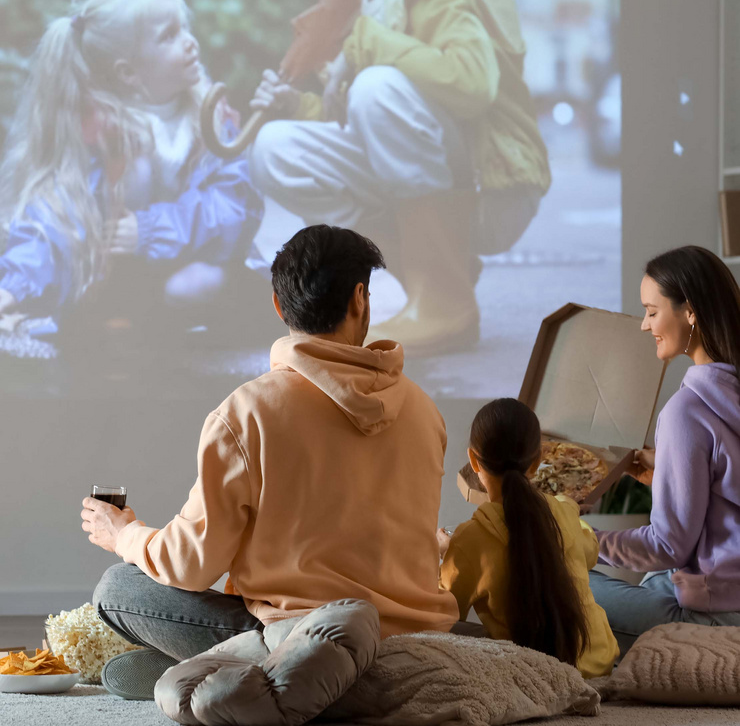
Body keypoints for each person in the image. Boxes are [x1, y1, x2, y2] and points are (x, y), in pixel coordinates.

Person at [83, 224, 458, 700]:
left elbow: (192, 564)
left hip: (298, 636)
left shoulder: (246, 412)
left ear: (278, 306)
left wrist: (124, 536)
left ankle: (241, 669)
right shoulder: (424, 410)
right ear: (360, 299)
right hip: (412, 636)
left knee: (119, 588)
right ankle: (219, 668)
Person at [248, 0, 549, 356]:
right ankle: (434, 275)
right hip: (443, 170)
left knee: (377, 87)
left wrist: (368, 43)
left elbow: (472, 84)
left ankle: (446, 301)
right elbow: (370, 125)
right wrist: (296, 107)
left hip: (492, 188)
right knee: (277, 150)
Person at [0, 0, 262, 338]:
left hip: (197, 261)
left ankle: (190, 329)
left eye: (185, 27)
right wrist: (13, 286)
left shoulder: (211, 120)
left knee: (193, 285)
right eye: (169, 36)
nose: (190, 42)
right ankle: (118, 322)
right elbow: (56, 211)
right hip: (120, 272)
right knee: (132, 169)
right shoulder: (101, 129)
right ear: (127, 72)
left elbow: (235, 206)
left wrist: (150, 230)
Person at [590, 246, 740, 655]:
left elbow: (668, 546)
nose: (644, 325)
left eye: (651, 312)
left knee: (558, 583)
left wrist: (578, 539)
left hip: (714, 618)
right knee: (659, 580)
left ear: (690, 311)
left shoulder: (686, 412)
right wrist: (666, 476)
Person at [439, 398, 618, 678]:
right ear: (537, 461)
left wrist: (445, 554)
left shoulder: (468, 540)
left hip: (535, 674)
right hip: (598, 665)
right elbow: (591, 551)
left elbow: (443, 613)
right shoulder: (564, 510)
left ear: (473, 460)